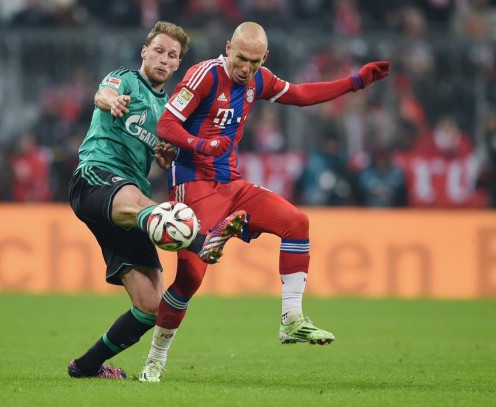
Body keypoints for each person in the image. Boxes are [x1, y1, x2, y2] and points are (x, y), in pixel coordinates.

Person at [139, 21, 390, 382]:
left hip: (232, 184)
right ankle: (155, 360)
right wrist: (201, 145)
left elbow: (301, 95)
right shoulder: (203, 76)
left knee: (297, 222)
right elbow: (166, 125)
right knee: (190, 278)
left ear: (264, 58)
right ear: (228, 48)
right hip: (193, 185)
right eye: (240, 58)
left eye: (254, 62)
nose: (246, 68)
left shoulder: (259, 79)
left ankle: (291, 320)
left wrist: (355, 82)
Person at [66, 21, 245, 379]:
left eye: (172, 55)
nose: (164, 59)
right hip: (95, 179)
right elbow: (102, 94)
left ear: (178, 65)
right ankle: (202, 240)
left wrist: (164, 158)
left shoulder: (170, 111)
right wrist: (111, 100)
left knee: (151, 306)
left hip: (129, 201)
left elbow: (164, 155)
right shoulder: (125, 81)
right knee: (155, 209)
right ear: (144, 52)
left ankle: (86, 366)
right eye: (159, 51)